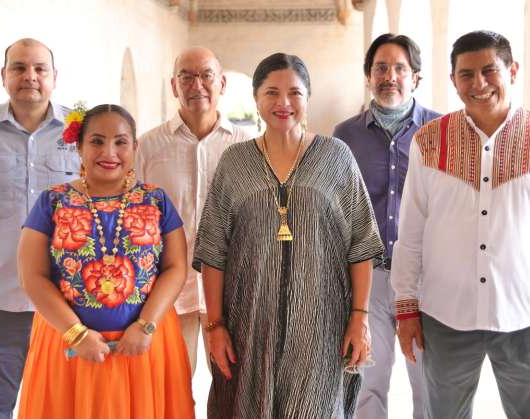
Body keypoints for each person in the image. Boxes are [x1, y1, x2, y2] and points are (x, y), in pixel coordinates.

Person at [392, 30, 530, 419]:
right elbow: (411, 231)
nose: (478, 84)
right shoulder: (429, 142)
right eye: (466, 74)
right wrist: (406, 307)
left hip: (529, 315)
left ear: (512, 71)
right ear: (453, 81)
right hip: (445, 314)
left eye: (489, 70)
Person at [192, 52, 384, 418]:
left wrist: (359, 317)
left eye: (294, 92)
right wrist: (215, 326)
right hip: (248, 326)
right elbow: (214, 250)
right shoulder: (235, 162)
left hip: (321, 327)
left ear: (307, 97)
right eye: (271, 93)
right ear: (256, 98)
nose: (283, 103)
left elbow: (361, 244)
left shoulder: (335, 157)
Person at [16, 104, 195, 419]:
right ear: (79, 146)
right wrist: (77, 334)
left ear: (135, 147)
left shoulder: (156, 200)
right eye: (97, 141)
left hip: (144, 347)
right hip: (69, 352)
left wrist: (146, 324)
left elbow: (176, 268)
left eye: (121, 141)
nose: (109, 151)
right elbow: (32, 276)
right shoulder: (52, 202)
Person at [0, 38, 80, 419]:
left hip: (66, 304)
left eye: (40, 69)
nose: (30, 77)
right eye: (19, 68)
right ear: (3, 76)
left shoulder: (82, 132)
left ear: (55, 77)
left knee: (64, 409)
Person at [333, 33, 439, 419]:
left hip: (427, 278)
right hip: (368, 278)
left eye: (399, 68)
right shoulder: (345, 136)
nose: (389, 76)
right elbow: (338, 206)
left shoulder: (441, 131)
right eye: (380, 68)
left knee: (428, 381)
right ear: (368, 76)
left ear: (416, 78)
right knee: (366, 380)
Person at [136, 46, 250, 375]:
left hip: (231, 293)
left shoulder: (246, 146)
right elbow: (135, 219)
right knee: (172, 389)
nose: (196, 84)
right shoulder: (148, 147)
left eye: (206, 75)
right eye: (186, 77)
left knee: (232, 389)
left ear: (222, 83)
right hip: (168, 292)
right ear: (174, 86)